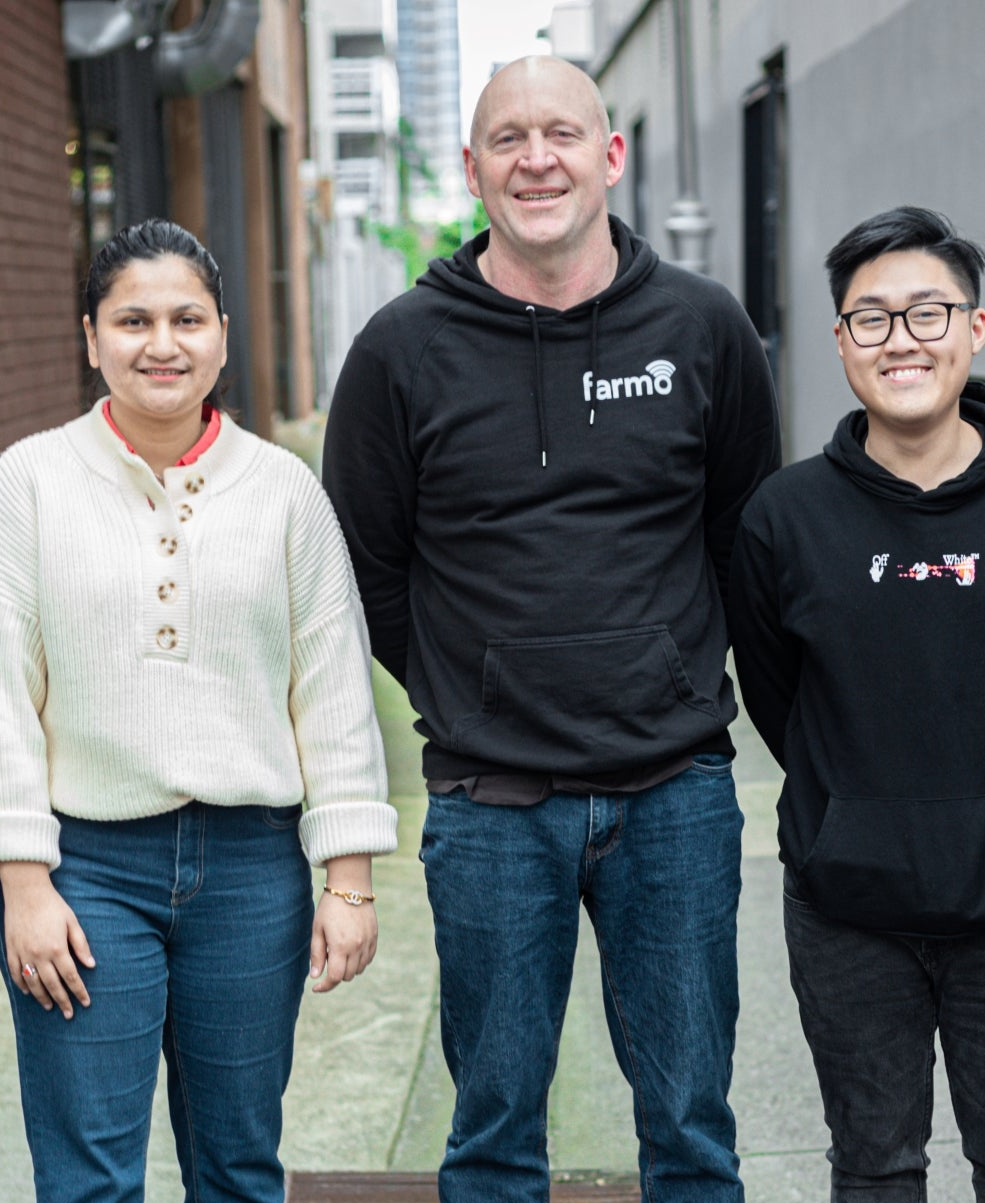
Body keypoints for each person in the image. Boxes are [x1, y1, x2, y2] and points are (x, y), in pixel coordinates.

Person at [321, 54, 781, 1203]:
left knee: (690, 1132)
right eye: (509, 139)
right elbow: (365, 569)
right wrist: (467, 687)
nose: (538, 159)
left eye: (563, 134)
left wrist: (669, 670)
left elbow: (745, 539)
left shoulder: (703, 327)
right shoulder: (398, 351)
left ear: (610, 154)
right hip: (489, 806)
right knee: (490, 1138)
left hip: (673, 791)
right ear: (473, 169)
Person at [0, 218, 396, 1203]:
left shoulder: (284, 491)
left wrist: (348, 879)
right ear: (91, 337)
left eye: (187, 318)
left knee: (237, 1169)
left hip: (250, 873)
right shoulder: (28, 483)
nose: (162, 343)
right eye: (134, 319)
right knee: (89, 1181)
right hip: (84, 871)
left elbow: (330, 690)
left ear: (223, 336)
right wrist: (24, 884)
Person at [725, 207, 985, 1202]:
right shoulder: (784, 517)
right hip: (846, 908)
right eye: (871, 318)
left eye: (927, 313)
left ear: (973, 331)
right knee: (874, 1168)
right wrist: (850, 813)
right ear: (842, 341)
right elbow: (779, 699)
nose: (901, 340)